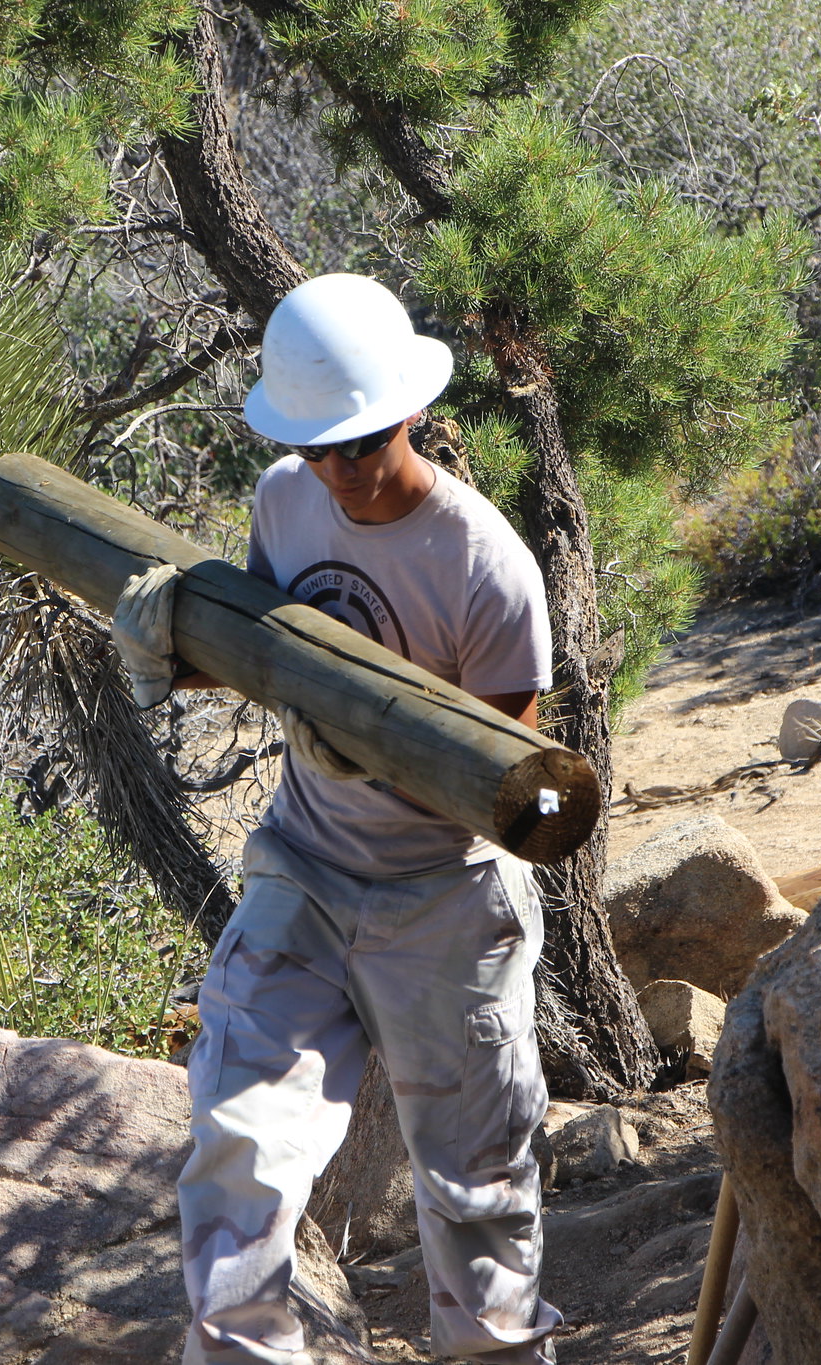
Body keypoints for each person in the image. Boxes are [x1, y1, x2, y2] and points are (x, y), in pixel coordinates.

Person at [110, 272, 561, 1365]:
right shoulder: (286, 497)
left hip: (441, 903)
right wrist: (170, 642)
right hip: (303, 871)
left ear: (407, 416)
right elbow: (271, 647)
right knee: (237, 1150)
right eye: (318, 449)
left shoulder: (484, 567)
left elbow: (508, 785)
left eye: (358, 445)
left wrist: (374, 747)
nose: (339, 472)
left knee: (475, 1200)